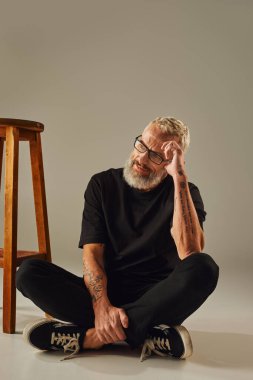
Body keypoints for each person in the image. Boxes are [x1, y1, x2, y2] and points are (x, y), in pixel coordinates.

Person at [16, 116, 219, 362]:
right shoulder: (102, 184)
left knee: (204, 267)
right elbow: (92, 254)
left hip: (156, 298)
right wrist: (102, 308)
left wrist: (179, 176)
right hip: (104, 292)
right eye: (141, 146)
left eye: (155, 156)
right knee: (28, 273)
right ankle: (147, 334)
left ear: (169, 162)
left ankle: (88, 338)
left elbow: (189, 252)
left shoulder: (184, 191)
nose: (142, 159)